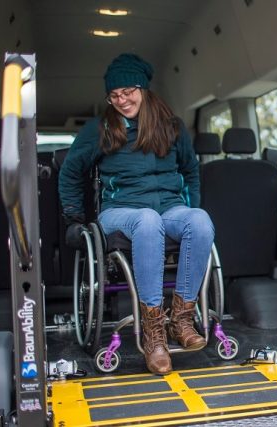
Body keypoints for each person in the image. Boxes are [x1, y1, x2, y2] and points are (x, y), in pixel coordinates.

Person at [59, 53, 214, 375]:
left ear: (143, 89)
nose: (121, 100)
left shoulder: (172, 127)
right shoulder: (99, 129)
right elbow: (70, 172)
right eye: (114, 95)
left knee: (199, 220)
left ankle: (181, 320)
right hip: (119, 212)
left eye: (127, 91)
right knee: (147, 220)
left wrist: (191, 204)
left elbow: (191, 171)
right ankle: (153, 332)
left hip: (169, 208)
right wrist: (73, 218)